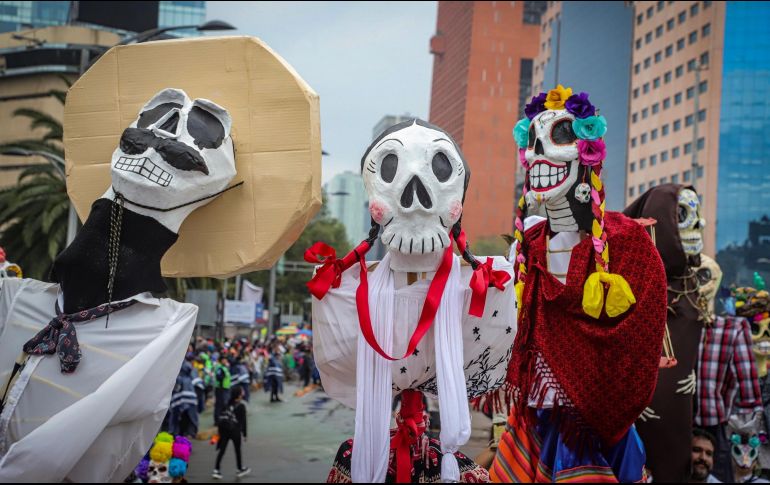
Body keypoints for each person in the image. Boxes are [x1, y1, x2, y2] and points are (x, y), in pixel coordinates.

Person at [212, 386, 250, 480]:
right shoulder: (241, 406)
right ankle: (239, 469)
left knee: (222, 450)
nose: (243, 392)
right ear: (239, 394)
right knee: (237, 450)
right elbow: (243, 422)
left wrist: (219, 433)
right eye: (242, 391)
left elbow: (221, 418)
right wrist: (244, 434)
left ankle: (216, 470)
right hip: (235, 431)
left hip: (224, 430)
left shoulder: (227, 404)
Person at [213, 355, 232, 424]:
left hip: (225, 388)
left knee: (223, 404)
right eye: (224, 359)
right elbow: (219, 377)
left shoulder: (224, 368)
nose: (225, 361)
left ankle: (221, 419)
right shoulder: (220, 368)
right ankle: (217, 420)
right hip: (221, 389)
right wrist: (222, 377)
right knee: (219, 404)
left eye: (226, 359)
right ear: (221, 360)